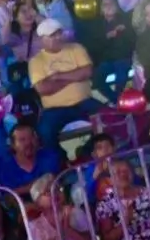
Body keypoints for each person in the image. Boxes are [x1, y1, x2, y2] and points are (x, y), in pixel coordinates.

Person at [28, 18, 102, 150]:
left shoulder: (76, 48)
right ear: (42, 39)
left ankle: (91, 153)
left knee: (107, 118)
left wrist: (58, 76)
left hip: (84, 102)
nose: (58, 37)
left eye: (59, 33)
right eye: (53, 35)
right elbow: (43, 89)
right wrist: (75, 76)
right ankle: (60, 160)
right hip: (55, 110)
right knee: (45, 131)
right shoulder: (36, 61)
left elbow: (87, 72)